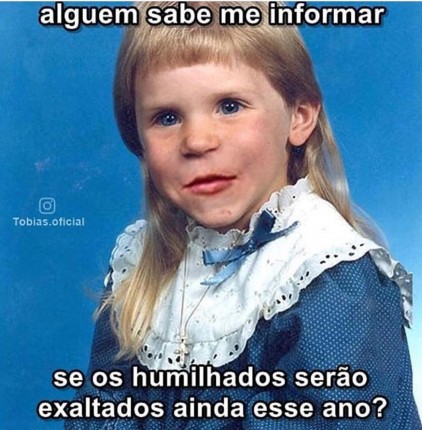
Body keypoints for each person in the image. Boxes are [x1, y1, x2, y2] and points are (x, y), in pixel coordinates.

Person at [66, 1, 421, 428]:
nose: (197, 141)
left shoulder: (324, 274)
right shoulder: (140, 264)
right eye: (167, 117)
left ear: (299, 116)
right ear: (137, 138)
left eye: (230, 106)